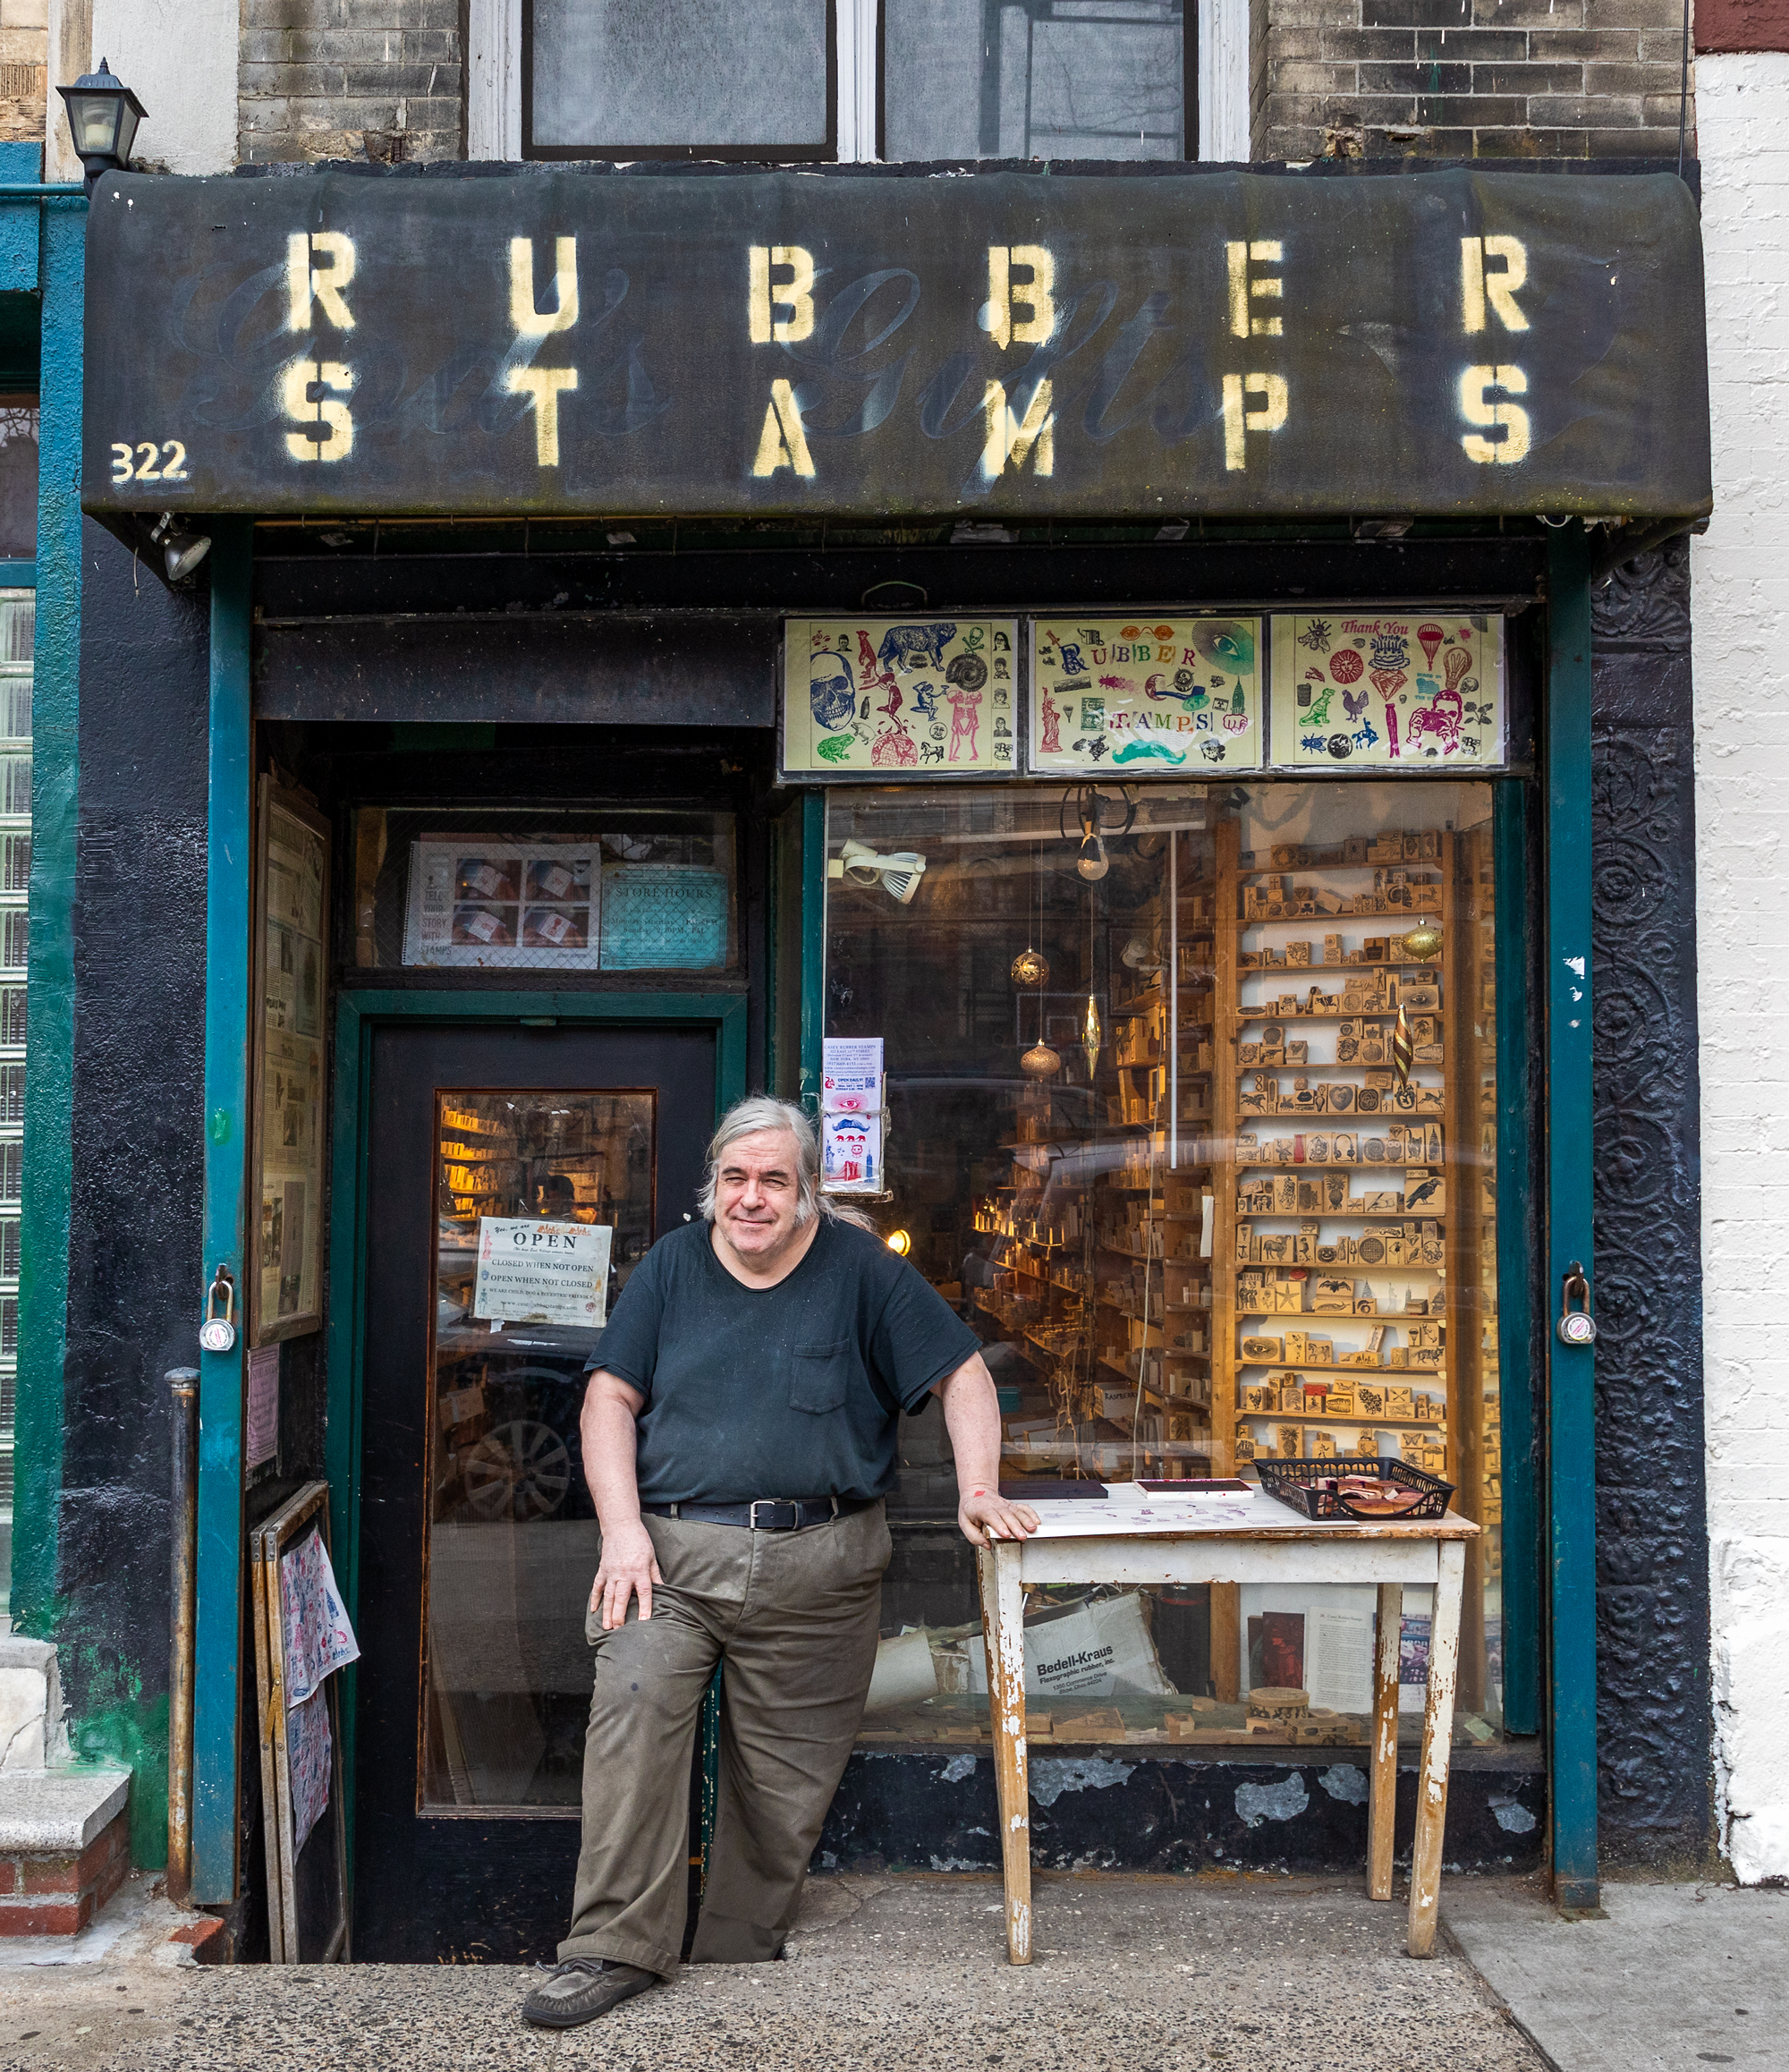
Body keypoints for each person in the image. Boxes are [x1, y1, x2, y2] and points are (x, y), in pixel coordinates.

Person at [521, 1095, 1039, 2030]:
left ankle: (732, 1961)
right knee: (632, 1724)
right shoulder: (672, 1269)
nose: (750, 1198)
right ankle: (610, 1950)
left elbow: (961, 1373)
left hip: (822, 1563)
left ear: (807, 1195)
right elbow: (606, 1401)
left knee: (783, 1786)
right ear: (710, 1186)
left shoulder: (861, 1271)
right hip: (669, 1559)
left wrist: (975, 1489)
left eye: (772, 1180)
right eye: (734, 1178)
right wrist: (621, 1530)